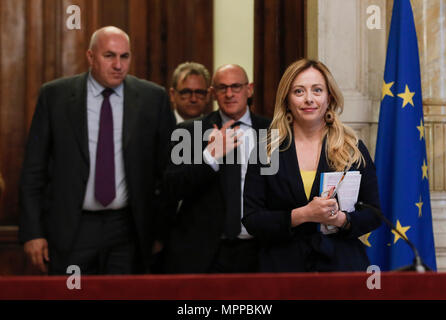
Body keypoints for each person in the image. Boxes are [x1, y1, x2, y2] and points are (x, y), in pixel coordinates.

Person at [19, 26, 175, 275]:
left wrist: (159, 232)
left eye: (125, 57)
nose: (118, 65)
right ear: (90, 56)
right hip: (72, 228)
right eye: (109, 56)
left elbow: (166, 172)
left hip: (128, 230)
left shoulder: (152, 98)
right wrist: (32, 232)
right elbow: (33, 171)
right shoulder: (55, 96)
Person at [242, 59, 382, 272]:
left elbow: (374, 214)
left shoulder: (352, 149)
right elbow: (252, 220)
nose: (309, 99)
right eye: (299, 91)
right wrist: (303, 214)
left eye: (317, 90)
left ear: (329, 97)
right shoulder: (266, 151)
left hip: (342, 268)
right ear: (287, 100)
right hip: (282, 271)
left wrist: (342, 220)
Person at [162, 64, 271, 273]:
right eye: (222, 88)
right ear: (213, 93)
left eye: (236, 87)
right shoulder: (188, 132)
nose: (229, 94)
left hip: (259, 250)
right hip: (203, 253)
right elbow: (171, 188)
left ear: (249, 89)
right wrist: (209, 157)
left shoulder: (271, 131)